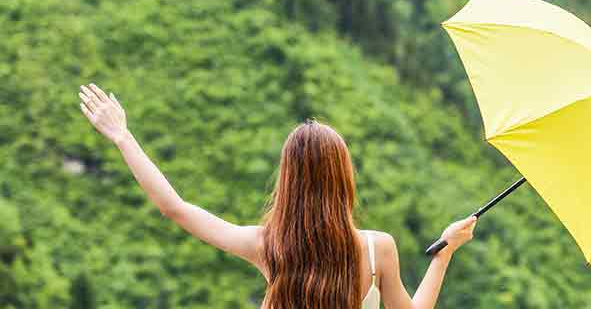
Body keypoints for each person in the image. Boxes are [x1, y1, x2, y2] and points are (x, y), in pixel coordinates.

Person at [77, 83, 478, 309]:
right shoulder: (377, 250)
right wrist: (444, 254)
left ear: (288, 180)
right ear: (344, 180)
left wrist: (122, 136)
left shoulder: (269, 246)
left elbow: (175, 208)